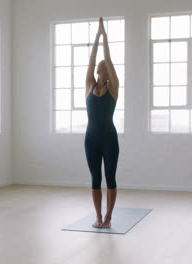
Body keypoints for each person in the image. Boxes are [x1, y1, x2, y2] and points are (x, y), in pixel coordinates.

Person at [84, 17, 120, 228]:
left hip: (109, 139)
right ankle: (98, 217)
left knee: (110, 177)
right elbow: (92, 59)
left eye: (107, 66)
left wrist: (105, 37)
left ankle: (108, 217)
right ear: (98, 70)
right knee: (95, 179)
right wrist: (96, 37)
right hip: (91, 139)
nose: (103, 66)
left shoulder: (113, 88)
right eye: (101, 66)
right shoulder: (89, 85)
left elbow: (107, 57)